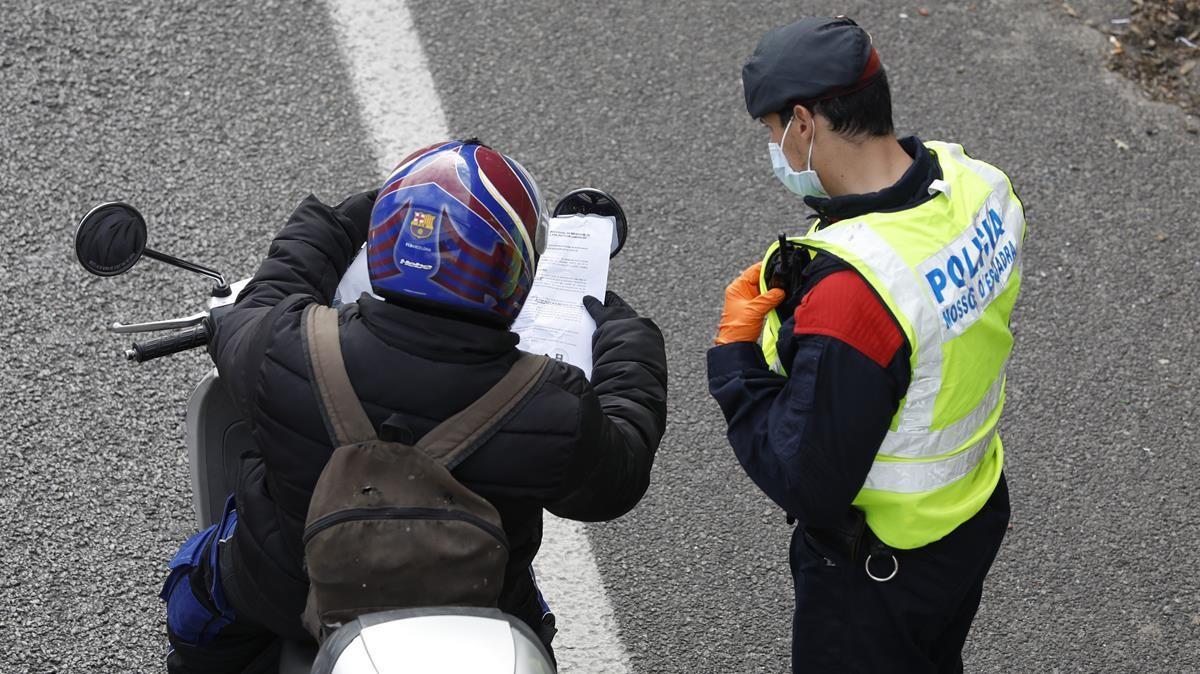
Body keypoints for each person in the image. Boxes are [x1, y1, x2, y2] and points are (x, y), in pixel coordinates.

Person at [159, 139, 669, 672]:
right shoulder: (551, 402)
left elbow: (258, 302)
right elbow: (620, 474)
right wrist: (629, 341)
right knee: (532, 633)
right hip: (482, 613)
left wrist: (343, 220)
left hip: (286, 598)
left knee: (198, 598)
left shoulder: (289, 349)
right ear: (514, 270)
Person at [707, 17, 1025, 673]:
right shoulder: (975, 183)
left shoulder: (856, 297)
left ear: (803, 124)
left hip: (881, 568)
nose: (776, 150)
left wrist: (737, 359)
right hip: (971, 517)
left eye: (772, 133)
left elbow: (807, 481)